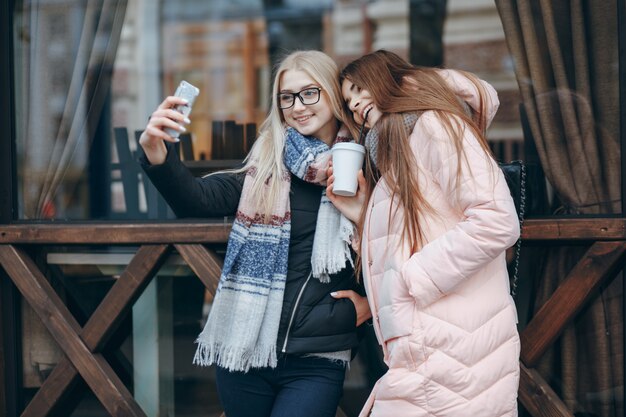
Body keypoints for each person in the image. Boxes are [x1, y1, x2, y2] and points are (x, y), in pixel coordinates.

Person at [138, 50, 371, 417]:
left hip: (317, 357)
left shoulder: (366, 165)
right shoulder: (265, 168)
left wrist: (374, 304)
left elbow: (400, 242)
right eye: (287, 97)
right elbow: (197, 199)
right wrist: (157, 153)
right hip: (244, 356)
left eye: (310, 93)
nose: (297, 107)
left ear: (332, 94)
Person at [326, 49, 521, 416]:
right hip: (433, 343)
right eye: (350, 105)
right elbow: (416, 236)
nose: (356, 108)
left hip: (449, 342)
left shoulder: (435, 125)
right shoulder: (400, 155)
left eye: (359, 90)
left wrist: (413, 278)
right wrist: (363, 215)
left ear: (389, 80)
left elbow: (496, 220)